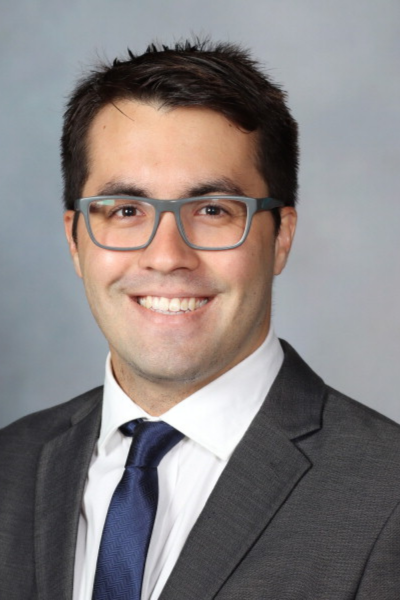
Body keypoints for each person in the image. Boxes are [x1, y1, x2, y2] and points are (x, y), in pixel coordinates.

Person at [1, 39, 400, 600]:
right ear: (75, 240)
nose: (166, 256)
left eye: (212, 210)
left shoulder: (386, 495)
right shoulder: (11, 465)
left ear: (281, 237)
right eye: (125, 210)